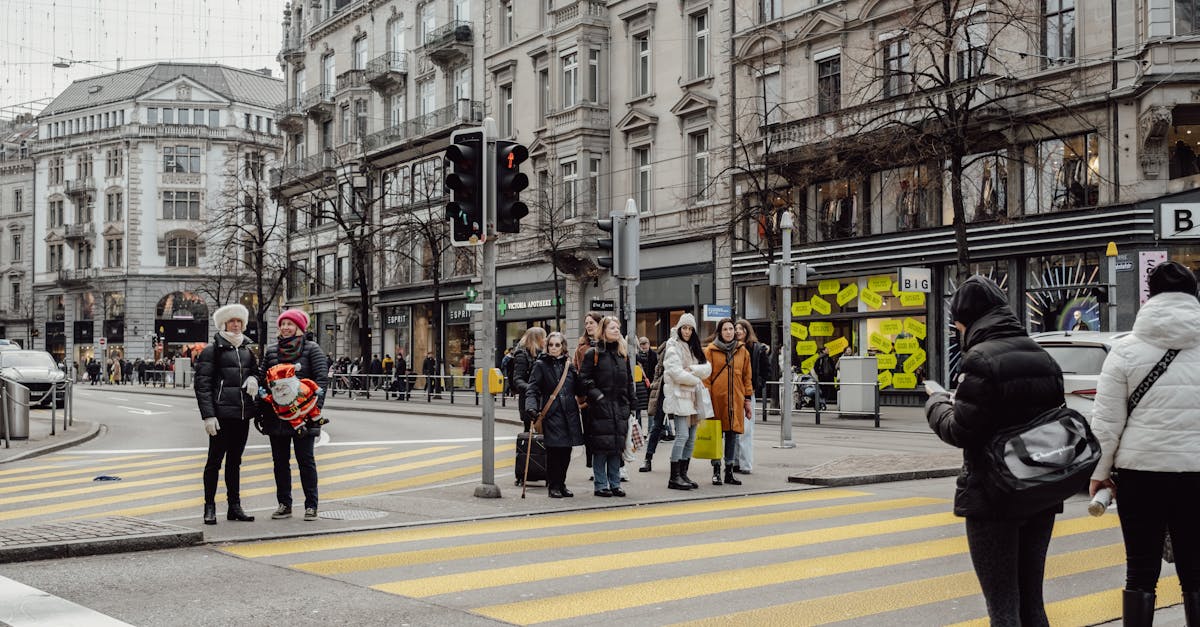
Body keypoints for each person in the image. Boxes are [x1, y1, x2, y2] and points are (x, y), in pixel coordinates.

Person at [925, 275, 1065, 626]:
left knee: (1003, 608)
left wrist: (937, 403)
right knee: (1032, 602)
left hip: (994, 496)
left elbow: (961, 430)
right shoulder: (1042, 356)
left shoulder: (980, 360)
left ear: (967, 321)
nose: (957, 331)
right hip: (1040, 492)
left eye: (957, 324)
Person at [1088, 261, 1200, 624]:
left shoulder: (1125, 350)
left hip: (1140, 475)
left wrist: (1100, 472)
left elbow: (1106, 423)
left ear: (1150, 296)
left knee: (1139, 568)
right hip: (1197, 474)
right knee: (1197, 570)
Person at [259, 308, 329, 522]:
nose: (286, 328)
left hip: (304, 416)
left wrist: (311, 409)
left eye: (290, 324)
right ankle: (284, 504)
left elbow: (321, 380)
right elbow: (263, 379)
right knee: (279, 462)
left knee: (305, 460)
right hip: (277, 416)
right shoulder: (271, 351)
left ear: (300, 327)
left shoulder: (312, 349)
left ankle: (311, 505)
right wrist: (262, 409)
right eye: (283, 324)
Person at [193, 303, 260, 526]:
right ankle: (209, 506)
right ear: (223, 324)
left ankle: (234, 506)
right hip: (221, 416)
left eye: (239, 321)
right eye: (232, 321)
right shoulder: (212, 351)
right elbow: (203, 386)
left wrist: (254, 378)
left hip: (242, 415)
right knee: (214, 462)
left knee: (235, 462)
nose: (236, 325)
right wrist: (208, 416)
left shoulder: (247, 350)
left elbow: (256, 373)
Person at [579, 316, 635, 497]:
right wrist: (598, 396)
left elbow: (629, 381)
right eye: (612, 328)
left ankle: (615, 483)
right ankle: (601, 484)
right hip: (599, 408)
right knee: (601, 448)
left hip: (619, 407)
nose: (617, 330)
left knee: (616, 447)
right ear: (603, 331)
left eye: (617, 328)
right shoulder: (593, 354)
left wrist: (631, 404)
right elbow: (584, 380)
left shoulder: (622, 355)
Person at [524, 331, 585, 498]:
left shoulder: (569, 365)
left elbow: (578, 389)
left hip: (570, 414)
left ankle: (562, 483)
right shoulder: (540, 365)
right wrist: (531, 407)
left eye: (557, 345)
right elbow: (532, 389)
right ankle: (553, 485)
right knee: (554, 452)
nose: (554, 348)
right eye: (551, 345)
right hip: (552, 413)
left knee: (566, 451)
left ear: (563, 346)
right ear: (547, 346)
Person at [660, 313, 711, 490]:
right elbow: (675, 372)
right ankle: (674, 477)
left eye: (690, 328)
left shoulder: (694, 347)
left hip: (693, 398)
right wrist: (696, 378)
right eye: (684, 328)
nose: (687, 331)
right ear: (679, 328)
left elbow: (707, 368)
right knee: (682, 436)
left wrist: (692, 369)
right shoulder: (673, 345)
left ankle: (683, 474)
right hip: (680, 397)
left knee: (691, 439)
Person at [703, 318, 752, 487]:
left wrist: (747, 399)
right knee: (717, 435)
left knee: (732, 435)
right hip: (716, 400)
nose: (729, 332)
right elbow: (706, 378)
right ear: (720, 332)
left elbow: (747, 376)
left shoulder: (743, 351)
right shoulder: (711, 350)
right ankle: (716, 471)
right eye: (725, 329)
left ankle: (729, 471)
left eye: (731, 329)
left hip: (736, 400)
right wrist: (707, 398)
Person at [735, 319, 769, 475]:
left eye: (741, 329)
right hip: (734, 392)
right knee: (733, 430)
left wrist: (757, 385)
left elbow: (765, 371)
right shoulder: (732, 347)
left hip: (748, 392)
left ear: (747, 331)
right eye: (736, 329)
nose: (737, 331)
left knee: (746, 431)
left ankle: (745, 464)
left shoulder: (757, 349)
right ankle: (734, 462)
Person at [640, 341, 670, 473]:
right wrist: (655, 384)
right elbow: (659, 369)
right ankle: (648, 458)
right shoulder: (667, 348)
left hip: (681, 391)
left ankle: (681, 463)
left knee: (684, 429)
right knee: (657, 425)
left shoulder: (688, 348)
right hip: (664, 390)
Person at [512, 327, 546, 432]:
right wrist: (532, 389)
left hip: (543, 399)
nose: (546, 340)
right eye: (544, 337)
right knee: (530, 433)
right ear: (538, 338)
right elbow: (518, 379)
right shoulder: (522, 355)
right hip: (529, 400)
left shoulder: (544, 354)